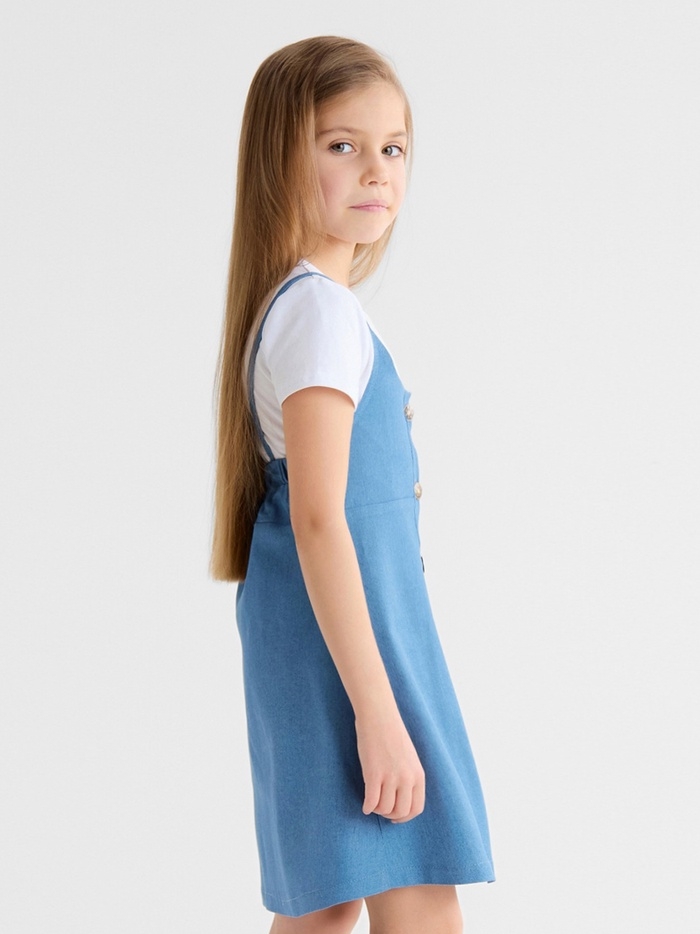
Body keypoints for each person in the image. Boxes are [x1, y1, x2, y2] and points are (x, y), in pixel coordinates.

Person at [210, 35, 495, 934]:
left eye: (394, 147)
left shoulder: (302, 307)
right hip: (355, 655)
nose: (378, 170)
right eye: (343, 145)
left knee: (326, 904)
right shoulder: (320, 314)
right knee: (414, 895)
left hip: (328, 640)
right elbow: (319, 519)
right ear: (280, 160)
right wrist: (378, 710)